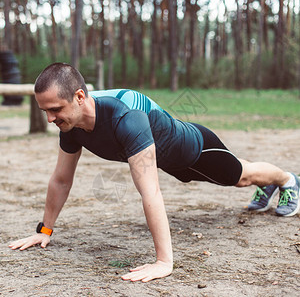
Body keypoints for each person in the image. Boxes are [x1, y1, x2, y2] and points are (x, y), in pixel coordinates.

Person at [9, 63, 300, 283]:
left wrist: (164, 262)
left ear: (80, 97)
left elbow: (150, 191)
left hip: (195, 151)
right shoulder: (70, 126)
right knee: (241, 174)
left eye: (55, 109)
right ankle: (272, 186)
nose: (49, 119)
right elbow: (61, 179)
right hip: (167, 161)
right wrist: (44, 231)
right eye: (44, 111)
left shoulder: (125, 117)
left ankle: (287, 180)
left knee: (241, 176)